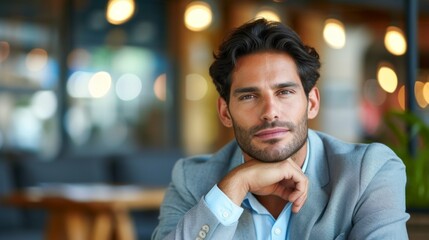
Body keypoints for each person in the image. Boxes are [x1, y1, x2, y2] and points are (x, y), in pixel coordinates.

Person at [152, 18, 409, 240]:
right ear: (224, 112)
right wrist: (235, 185)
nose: (269, 112)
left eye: (284, 92)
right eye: (248, 96)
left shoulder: (369, 171)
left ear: (312, 103)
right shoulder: (191, 179)